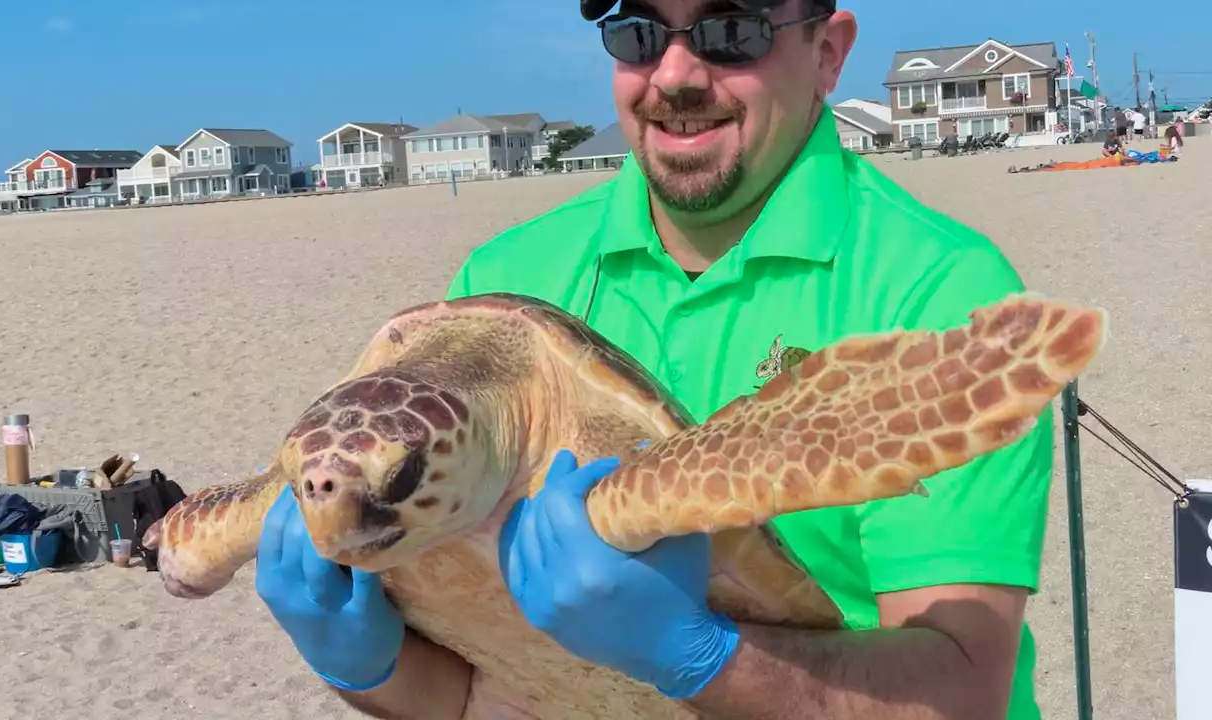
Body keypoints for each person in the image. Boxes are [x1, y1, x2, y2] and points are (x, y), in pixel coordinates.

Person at [255, 1, 1054, 718]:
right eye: (638, 31)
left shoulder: (936, 293)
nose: (673, 74)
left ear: (828, 51)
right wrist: (367, 670)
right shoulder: (499, 282)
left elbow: (962, 689)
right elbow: (472, 694)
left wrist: (700, 657)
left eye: (730, 30)